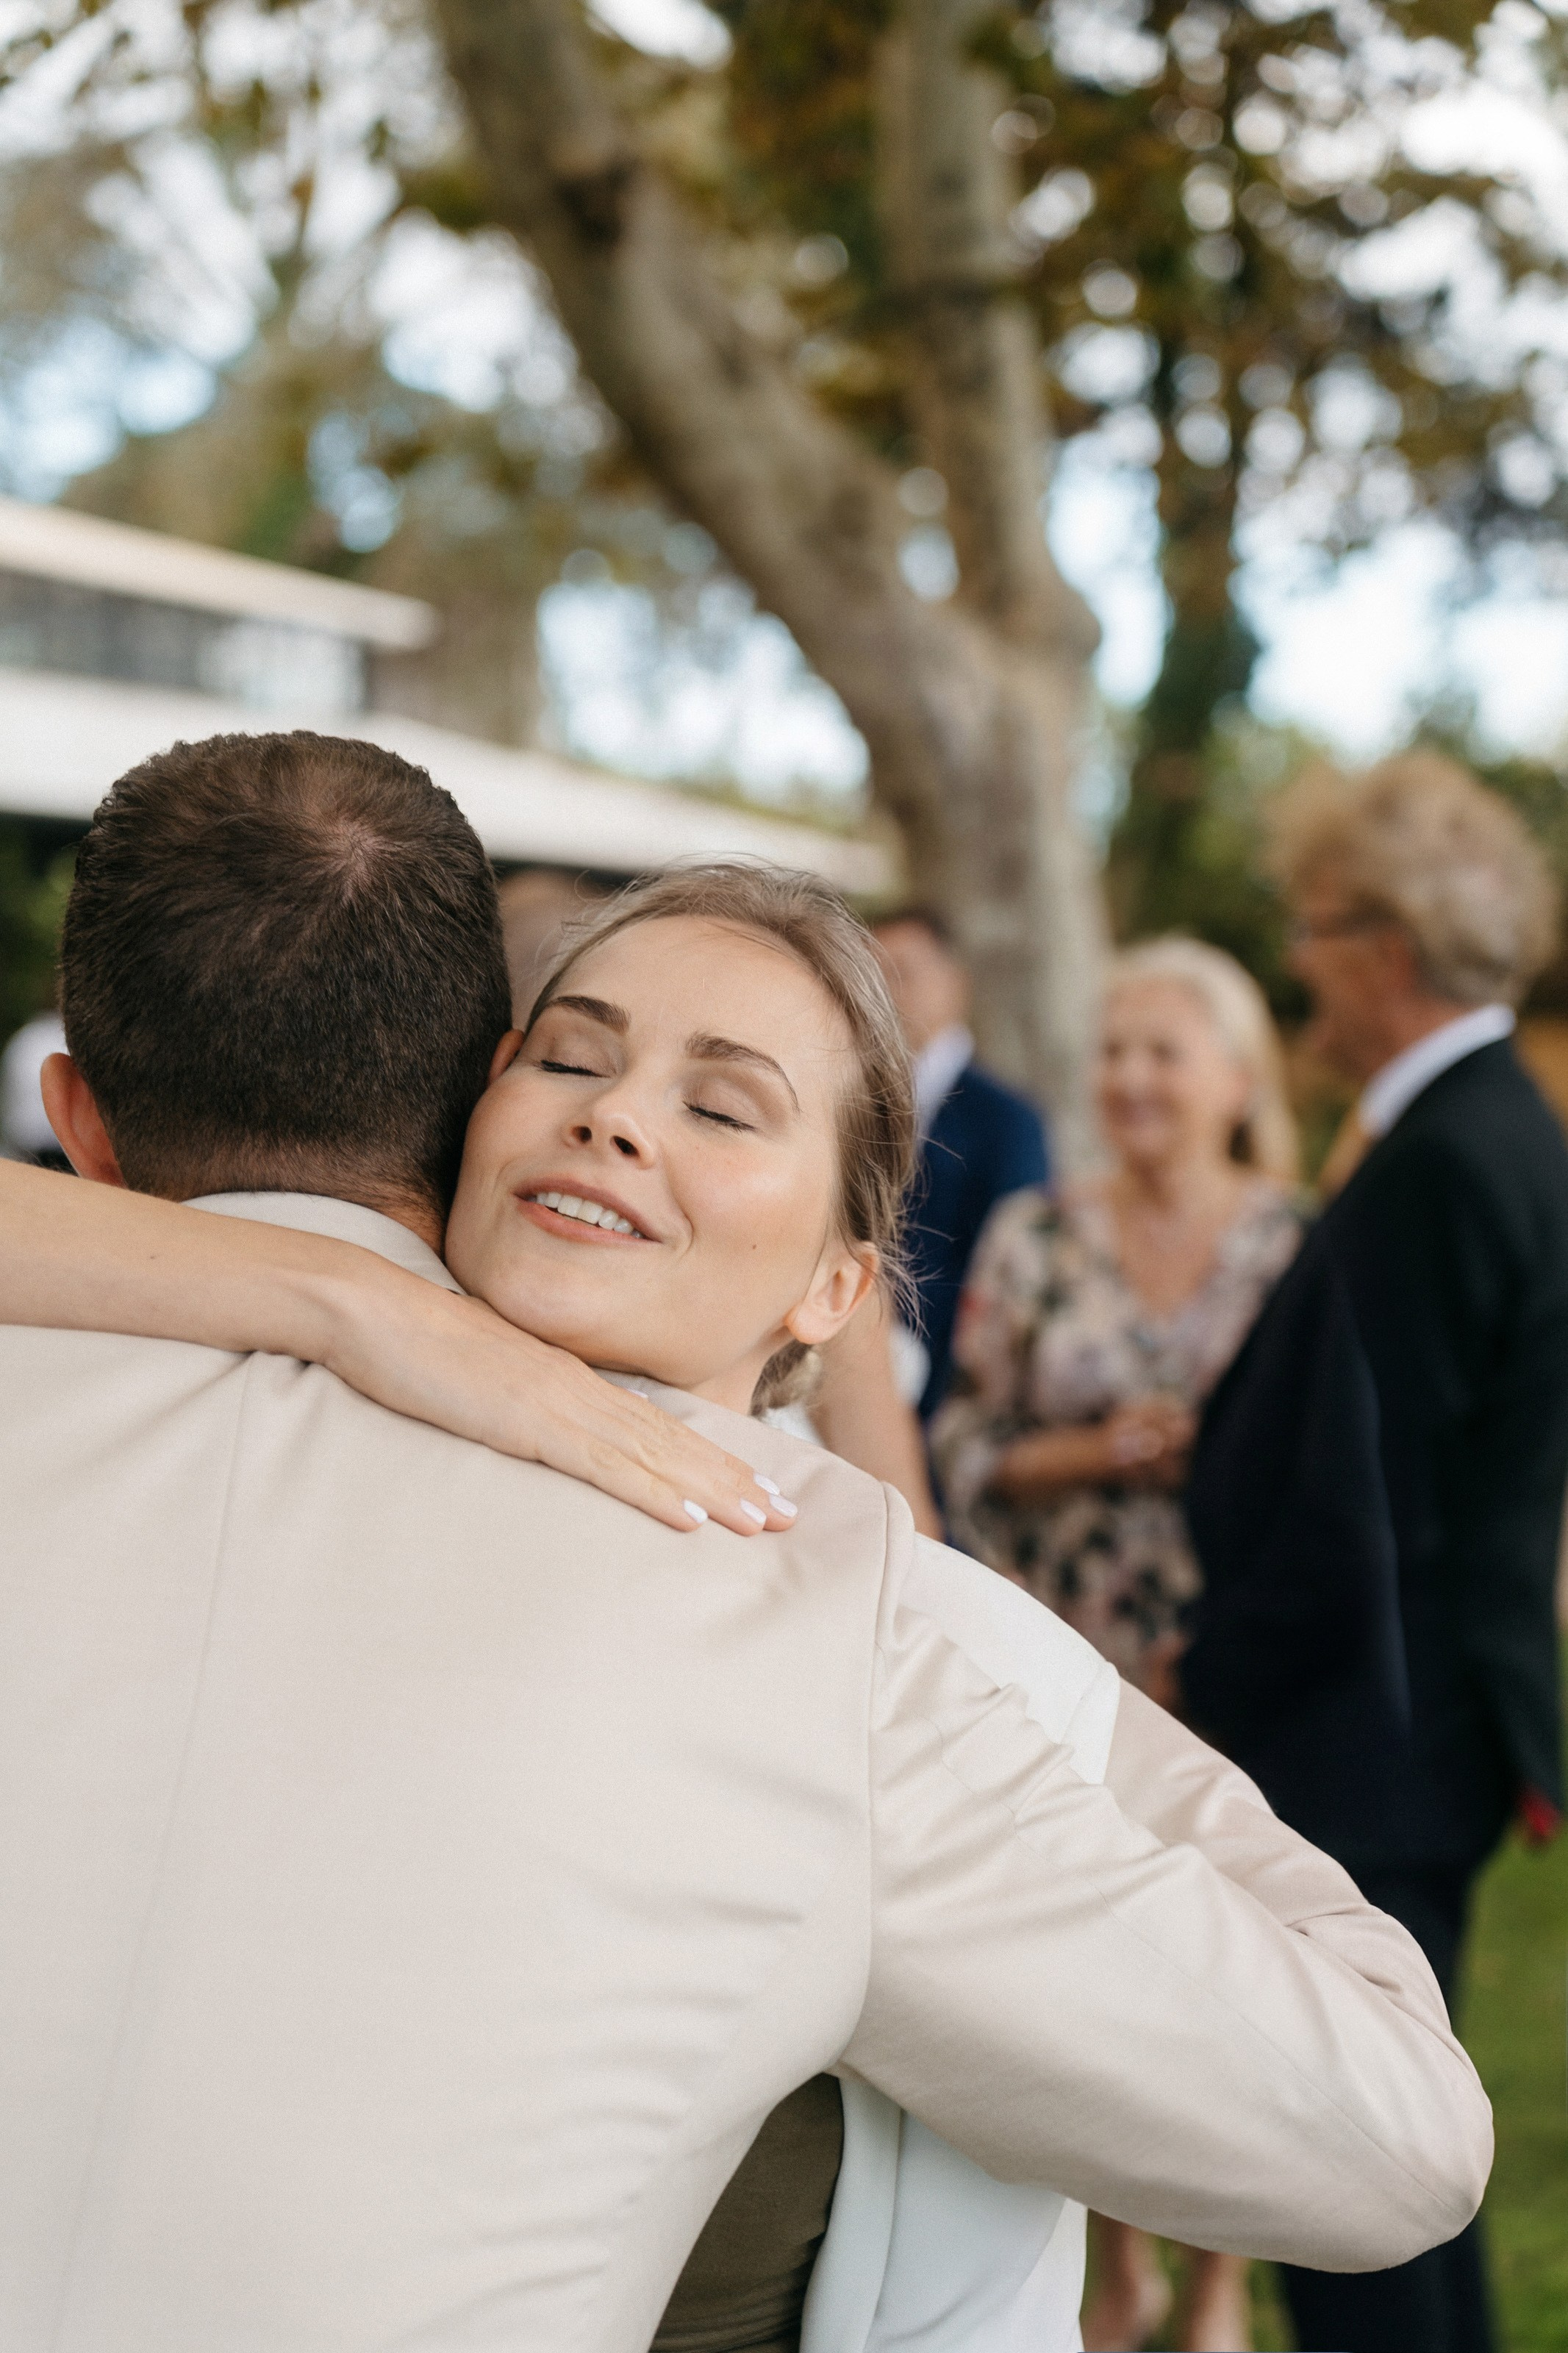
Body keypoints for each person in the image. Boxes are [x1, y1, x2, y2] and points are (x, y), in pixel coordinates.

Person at [0, 736, 1490, 2352]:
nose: (619, 1121)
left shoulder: (873, 1620)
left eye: (722, 1103)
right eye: (570, 1062)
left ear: (841, 1286)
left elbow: (1393, 2134)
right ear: (463, 1119)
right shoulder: (821, 1630)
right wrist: (341, 1297)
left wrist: (1006, 1651)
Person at [1186, 751, 1568, 2353]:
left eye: (1319, 927)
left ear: (1393, 947)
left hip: (1364, 1738)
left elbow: (1357, 1507)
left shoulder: (1442, 1161)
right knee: (1392, 2180)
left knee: (1359, 2197)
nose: (1298, 967)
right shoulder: (1484, 1132)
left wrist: (1199, 1687)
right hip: (1408, 1730)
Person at [930, 936, 1302, 2353]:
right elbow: (956, 1441)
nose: (1129, 1080)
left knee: (1238, 1970)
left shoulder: (1297, 1242)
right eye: (1112, 1053)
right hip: (1066, 1653)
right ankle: (1114, 2265)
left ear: (1232, 1078)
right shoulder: (1035, 1233)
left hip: (1238, 1661)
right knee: (1099, 1965)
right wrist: (1090, 1448)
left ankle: (1217, 2279)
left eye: (1162, 1051)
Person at [871, 909, 1049, 1417]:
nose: (886, 992)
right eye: (871, 975)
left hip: (949, 1391)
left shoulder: (1009, 1119)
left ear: (956, 983)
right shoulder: (849, 1103)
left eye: (902, 972)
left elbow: (1011, 1267)